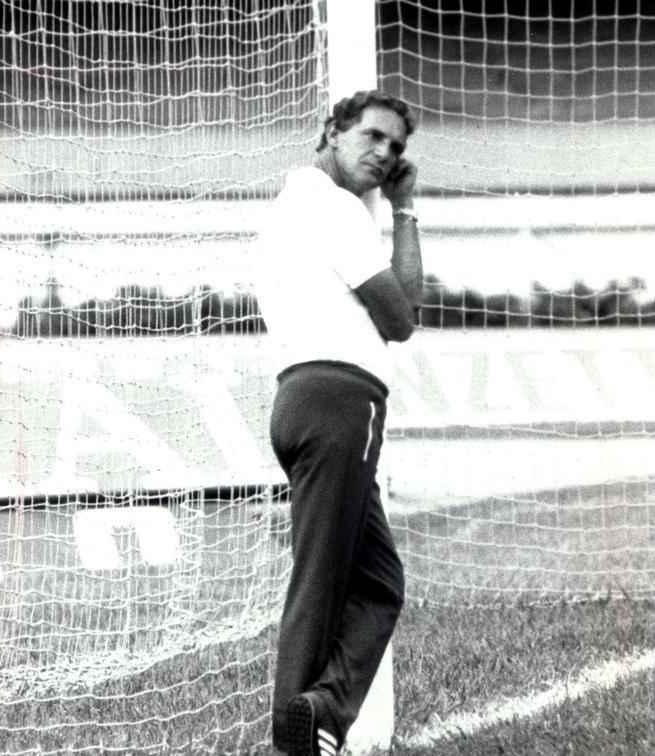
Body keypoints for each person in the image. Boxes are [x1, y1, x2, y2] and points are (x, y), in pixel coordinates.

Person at [254, 90, 423, 754]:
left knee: (379, 582)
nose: (384, 153)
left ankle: (320, 713)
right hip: (339, 404)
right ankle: (294, 741)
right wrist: (405, 212)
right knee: (321, 582)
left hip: (304, 402)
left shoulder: (290, 205)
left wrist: (395, 204)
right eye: (372, 136)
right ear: (332, 130)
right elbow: (402, 317)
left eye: (395, 147)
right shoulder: (332, 206)